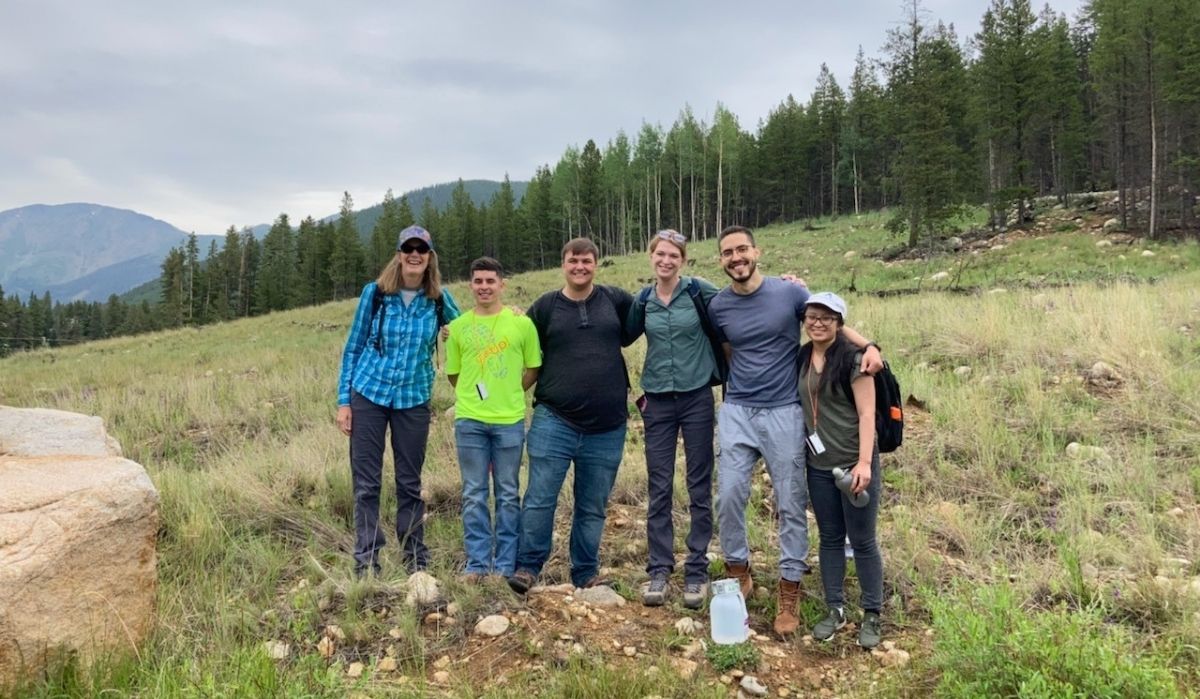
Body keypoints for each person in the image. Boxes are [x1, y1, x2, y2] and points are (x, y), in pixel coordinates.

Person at [706, 225, 881, 636]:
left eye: (742, 249)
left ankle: (790, 588)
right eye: (728, 252)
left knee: (790, 499)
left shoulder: (791, 294)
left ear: (756, 251)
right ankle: (738, 570)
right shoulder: (718, 306)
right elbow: (730, 352)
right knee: (729, 493)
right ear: (721, 260)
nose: (736, 258)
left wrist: (868, 345)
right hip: (737, 409)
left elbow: (829, 320)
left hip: (784, 411)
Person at [507, 238, 636, 593]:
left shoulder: (616, 299)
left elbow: (656, 312)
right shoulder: (545, 306)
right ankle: (528, 566)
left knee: (592, 505)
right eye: (573, 260)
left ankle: (585, 572)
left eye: (587, 260)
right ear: (562, 263)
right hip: (554, 419)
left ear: (596, 264)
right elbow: (514, 340)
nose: (580, 266)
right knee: (539, 498)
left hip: (608, 426)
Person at [336, 225, 461, 578]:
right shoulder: (374, 295)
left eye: (422, 248)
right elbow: (354, 348)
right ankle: (367, 558)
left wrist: (505, 315)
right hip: (369, 395)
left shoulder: (438, 299)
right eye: (409, 247)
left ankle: (414, 555)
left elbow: (470, 329)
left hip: (413, 399)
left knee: (409, 481)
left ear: (430, 256)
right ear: (399, 253)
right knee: (366, 482)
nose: (415, 254)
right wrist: (344, 402)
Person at [625, 229, 721, 609]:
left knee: (699, 485)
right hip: (658, 402)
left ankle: (696, 571)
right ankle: (659, 571)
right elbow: (620, 334)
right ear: (651, 257)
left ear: (683, 260)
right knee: (659, 486)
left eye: (674, 256)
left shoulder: (700, 291)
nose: (666, 261)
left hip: (697, 396)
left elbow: (739, 304)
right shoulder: (643, 300)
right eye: (660, 254)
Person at [445, 257, 541, 582]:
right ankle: (477, 563)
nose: (484, 287)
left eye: (490, 281)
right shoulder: (458, 328)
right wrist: (475, 399)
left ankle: (505, 564)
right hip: (469, 421)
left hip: (509, 421)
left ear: (502, 284)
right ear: (470, 285)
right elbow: (454, 374)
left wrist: (511, 393)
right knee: (473, 492)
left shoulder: (522, 324)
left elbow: (533, 368)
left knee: (508, 492)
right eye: (478, 281)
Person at [798, 292, 885, 649]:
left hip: (854, 463)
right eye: (812, 316)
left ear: (840, 323)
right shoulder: (801, 355)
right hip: (818, 466)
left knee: (862, 540)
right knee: (830, 538)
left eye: (827, 318)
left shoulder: (855, 360)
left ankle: (872, 613)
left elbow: (867, 414)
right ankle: (835, 608)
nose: (818, 323)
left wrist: (864, 463)